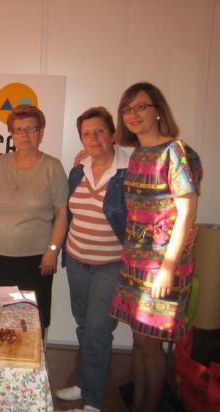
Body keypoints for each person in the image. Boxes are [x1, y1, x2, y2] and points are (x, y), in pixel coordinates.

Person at [109, 82, 202, 412]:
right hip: (137, 260)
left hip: (164, 263)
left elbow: (187, 210)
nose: (133, 114)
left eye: (141, 106)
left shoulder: (174, 150)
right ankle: (137, 405)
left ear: (158, 109)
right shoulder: (136, 153)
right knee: (139, 341)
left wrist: (168, 267)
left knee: (152, 346)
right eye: (127, 109)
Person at [55, 107, 129, 410]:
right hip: (76, 262)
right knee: (84, 326)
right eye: (87, 133)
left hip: (110, 266)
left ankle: (94, 402)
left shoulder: (129, 168)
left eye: (100, 130)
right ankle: (86, 383)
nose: (94, 137)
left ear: (112, 134)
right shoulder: (78, 169)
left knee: (98, 331)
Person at [0, 104, 68, 335]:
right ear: (11, 134)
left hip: (35, 262)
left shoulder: (52, 167)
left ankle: (31, 368)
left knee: (31, 325)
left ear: (41, 133)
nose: (24, 135)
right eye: (18, 129)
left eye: (31, 128)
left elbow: (62, 213)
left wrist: (53, 251)